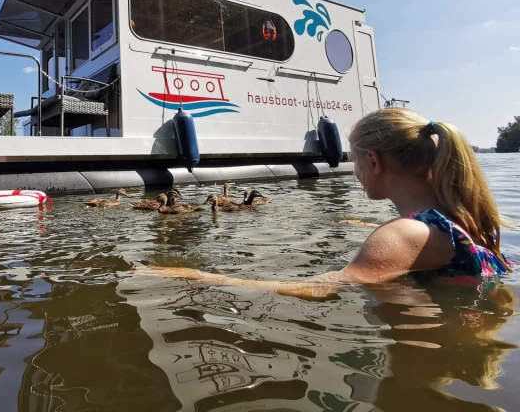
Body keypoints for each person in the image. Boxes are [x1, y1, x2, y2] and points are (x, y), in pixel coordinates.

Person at [137, 108, 513, 299]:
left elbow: (318, 290)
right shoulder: (462, 217)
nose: (355, 172)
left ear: (373, 162)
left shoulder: (401, 236)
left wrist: (195, 276)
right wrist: (364, 226)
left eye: (353, 161)